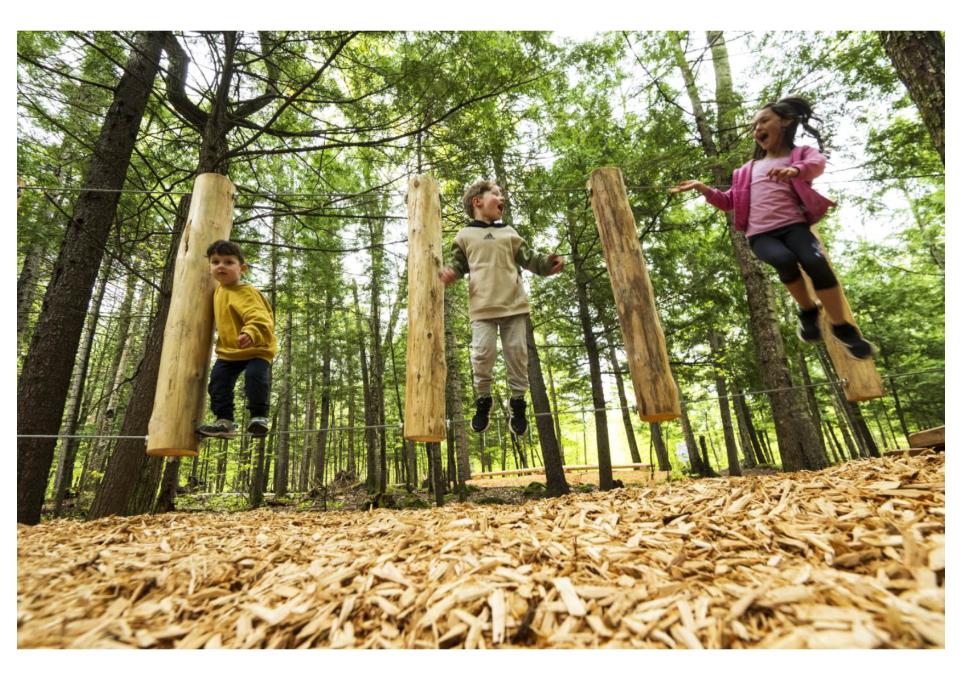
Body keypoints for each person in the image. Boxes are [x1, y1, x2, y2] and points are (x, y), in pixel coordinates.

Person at [670, 96, 876, 359]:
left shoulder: (800, 155)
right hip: (760, 235)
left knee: (815, 261)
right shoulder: (747, 170)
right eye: (754, 126)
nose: (757, 129)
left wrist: (795, 171)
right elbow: (728, 201)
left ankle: (842, 327)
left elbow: (817, 164)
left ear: (786, 121)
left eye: (764, 121)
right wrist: (704, 189)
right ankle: (808, 310)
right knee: (783, 259)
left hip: (795, 227)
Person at [440, 181, 565, 436]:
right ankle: (483, 399)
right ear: (477, 202)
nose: (502, 197)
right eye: (495, 194)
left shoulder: (508, 232)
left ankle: (518, 401)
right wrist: (451, 272)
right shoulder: (465, 236)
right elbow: (458, 264)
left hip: (513, 306)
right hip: (482, 308)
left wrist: (548, 264)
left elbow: (530, 259)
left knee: (517, 355)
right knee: (482, 355)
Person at [196, 240, 277, 438]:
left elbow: (260, 316)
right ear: (209, 267)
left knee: (254, 377)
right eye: (215, 262)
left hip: (257, 347)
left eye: (228, 262)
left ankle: (259, 417)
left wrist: (250, 332)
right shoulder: (217, 292)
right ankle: (225, 422)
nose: (221, 266)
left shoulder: (247, 292)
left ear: (242, 268)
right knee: (218, 381)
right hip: (230, 351)